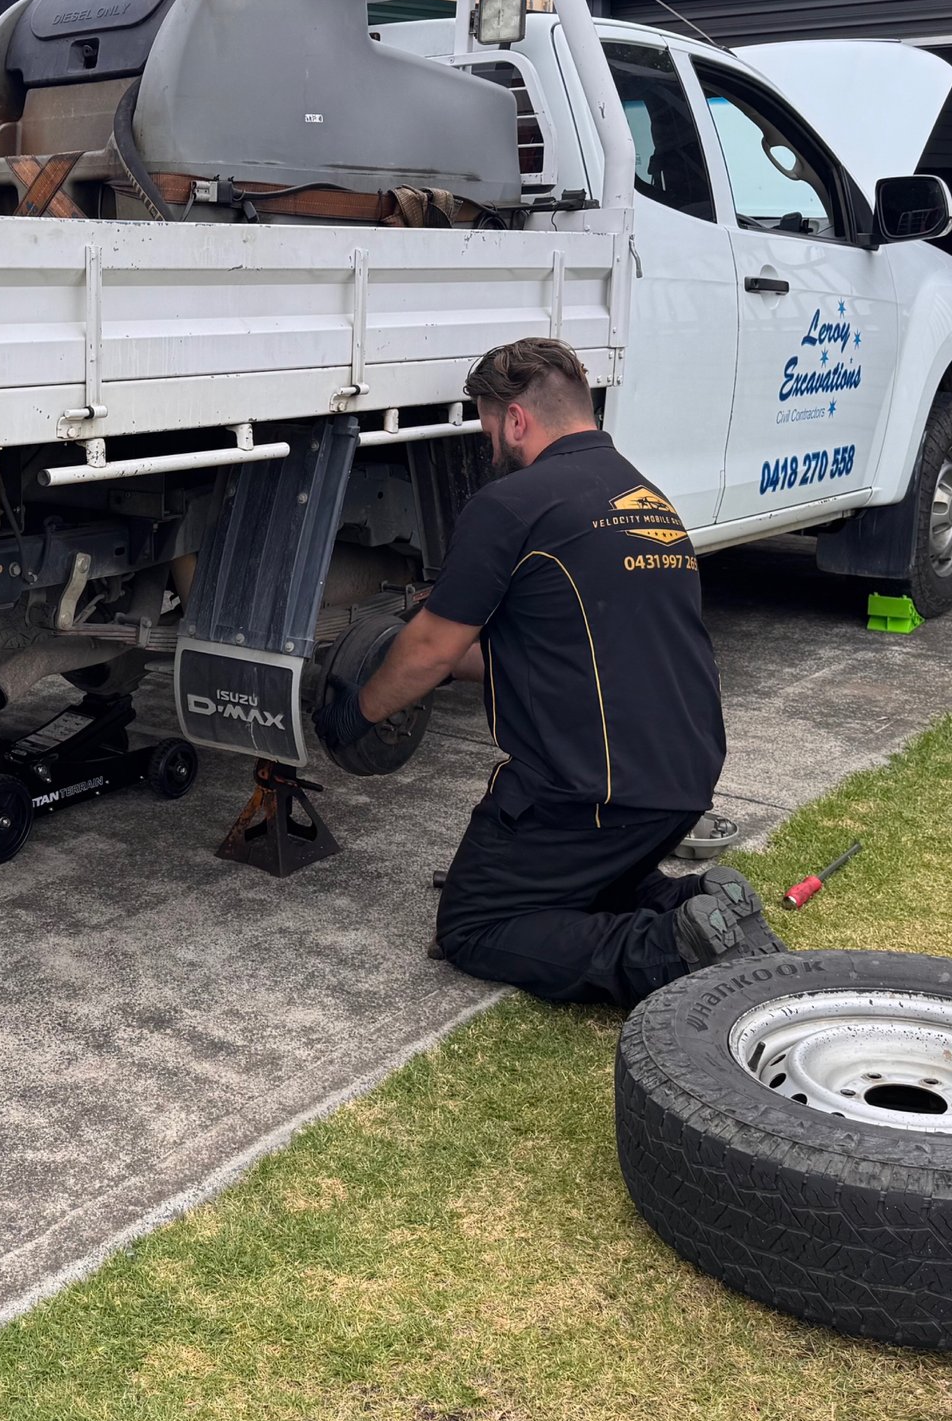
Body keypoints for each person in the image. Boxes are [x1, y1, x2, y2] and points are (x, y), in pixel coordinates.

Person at [314, 337, 780, 1005]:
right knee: (576, 882)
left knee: (476, 924)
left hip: (590, 793)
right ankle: (699, 902)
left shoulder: (511, 505)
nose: (488, 444)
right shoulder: (644, 496)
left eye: (485, 424)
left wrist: (358, 709)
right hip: (680, 780)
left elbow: (429, 649)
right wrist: (440, 672)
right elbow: (546, 645)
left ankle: (669, 951)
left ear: (516, 419)